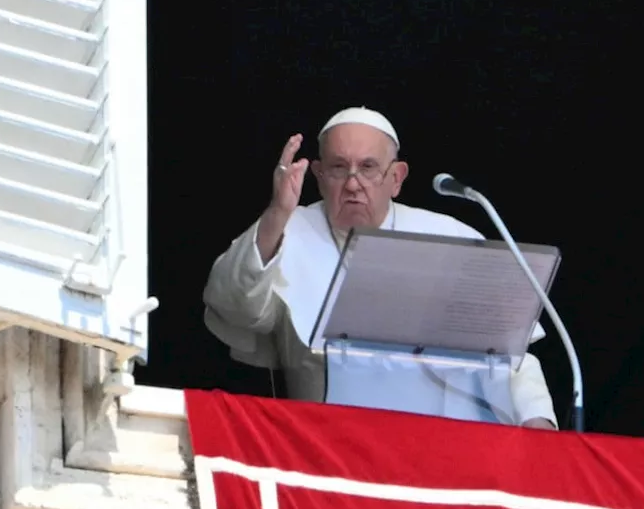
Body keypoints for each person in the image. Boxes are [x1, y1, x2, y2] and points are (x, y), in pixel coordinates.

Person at [202, 107, 557, 429]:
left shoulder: (450, 236)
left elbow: (507, 355)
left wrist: (536, 419)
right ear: (319, 174)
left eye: (368, 167)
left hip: (451, 446)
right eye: (339, 168)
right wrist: (278, 213)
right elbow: (234, 307)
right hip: (327, 443)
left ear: (397, 177)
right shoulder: (289, 230)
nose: (353, 183)